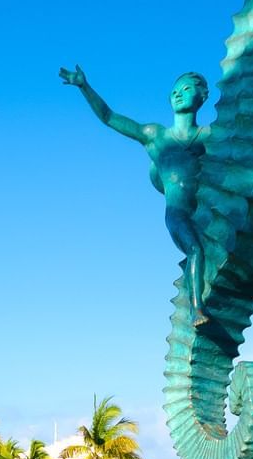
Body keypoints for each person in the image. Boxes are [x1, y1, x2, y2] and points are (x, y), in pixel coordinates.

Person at [60, 66, 211, 323]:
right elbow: (109, 117)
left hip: (208, 214)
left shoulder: (209, 137)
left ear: (203, 96)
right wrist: (84, 86)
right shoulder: (156, 136)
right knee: (195, 249)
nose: (178, 94)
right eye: (174, 91)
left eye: (187, 89)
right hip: (177, 212)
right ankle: (196, 309)